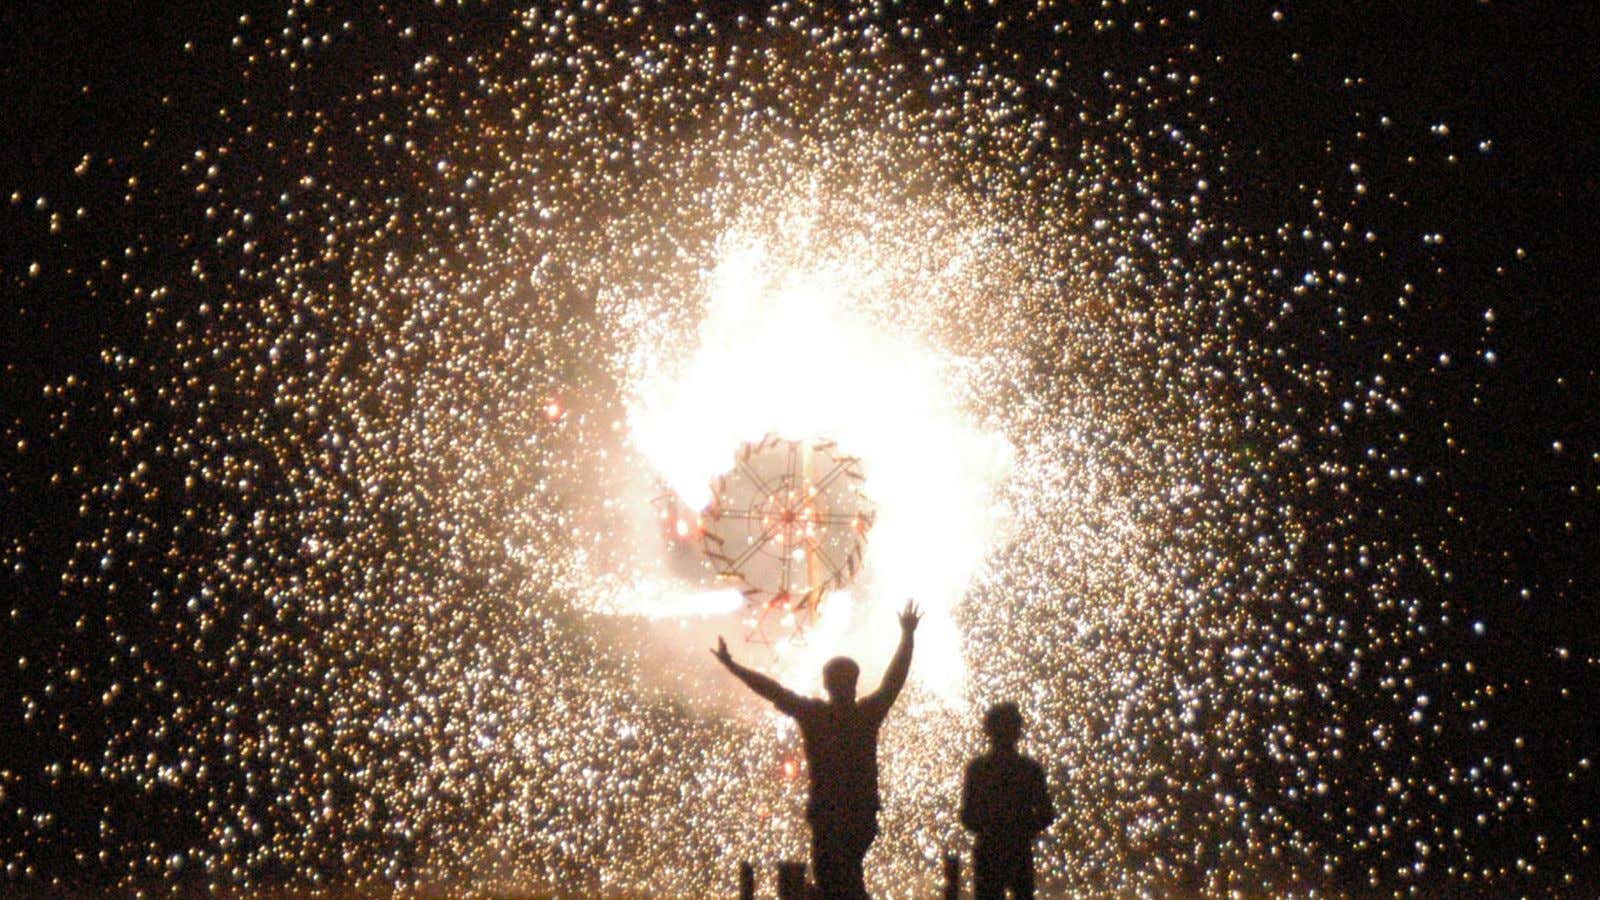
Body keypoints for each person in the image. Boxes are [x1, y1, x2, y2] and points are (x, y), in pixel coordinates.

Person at [713, 600, 922, 899]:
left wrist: (733, 666)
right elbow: (894, 682)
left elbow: (772, 689)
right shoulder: (866, 715)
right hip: (860, 816)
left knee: (833, 883)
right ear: (854, 682)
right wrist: (908, 636)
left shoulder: (815, 716)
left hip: (827, 816)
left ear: (826, 683)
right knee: (846, 880)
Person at [960, 702, 1054, 900]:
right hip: (1017, 850)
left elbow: (967, 815)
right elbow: (1046, 814)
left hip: (990, 851)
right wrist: (1022, 830)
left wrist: (990, 828)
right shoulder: (1029, 769)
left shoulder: (978, 769)